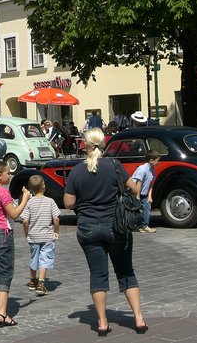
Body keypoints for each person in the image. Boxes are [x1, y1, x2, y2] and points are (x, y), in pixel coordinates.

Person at [63, 127, 148, 336]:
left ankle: (102, 322)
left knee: (98, 275)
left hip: (88, 227)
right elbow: (135, 190)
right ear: (103, 143)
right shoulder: (114, 166)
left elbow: (68, 202)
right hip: (116, 226)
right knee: (126, 272)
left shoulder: (77, 171)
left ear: (86, 145)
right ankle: (138, 319)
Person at [0, 161, 31, 327]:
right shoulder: (2, 192)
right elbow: (14, 214)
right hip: (3, 233)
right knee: (6, 272)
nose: (10, 175)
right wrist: (24, 199)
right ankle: (2, 313)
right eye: (8, 173)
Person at [22, 174, 61, 296]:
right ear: (44, 187)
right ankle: (41, 284)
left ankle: (33, 281)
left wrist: (27, 233)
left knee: (34, 257)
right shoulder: (50, 202)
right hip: (47, 236)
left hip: (33, 236)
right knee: (44, 259)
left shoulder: (29, 203)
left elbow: (24, 220)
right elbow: (56, 218)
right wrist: (56, 231)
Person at [131, 150, 160, 233]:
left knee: (147, 207)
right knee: (137, 209)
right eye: (157, 160)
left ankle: (144, 226)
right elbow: (139, 183)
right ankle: (137, 226)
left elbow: (151, 184)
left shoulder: (152, 170)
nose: (159, 162)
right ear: (151, 160)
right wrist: (137, 196)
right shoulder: (142, 169)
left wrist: (150, 196)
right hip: (136, 192)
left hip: (144, 193)